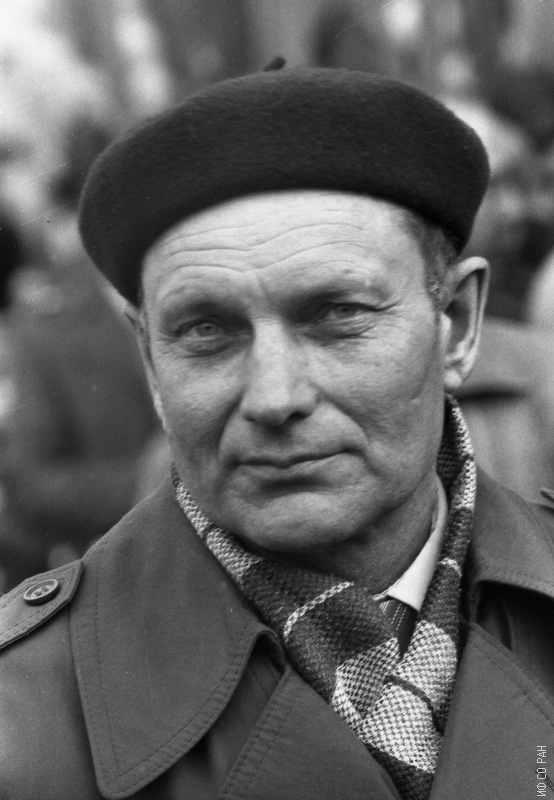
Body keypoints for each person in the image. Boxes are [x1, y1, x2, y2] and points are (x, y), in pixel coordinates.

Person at [0, 62, 553, 800]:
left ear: (455, 324)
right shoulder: (23, 722)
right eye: (207, 331)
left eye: (339, 314)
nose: (274, 396)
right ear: (151, 363)